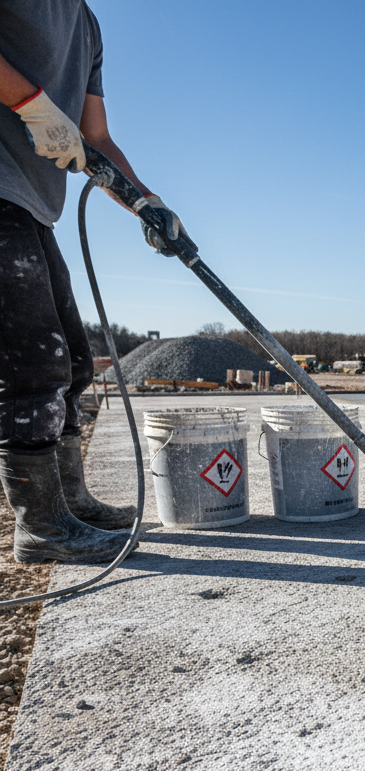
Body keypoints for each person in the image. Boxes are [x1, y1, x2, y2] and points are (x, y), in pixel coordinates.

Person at [0, 1, 185, 563]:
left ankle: (70, 505)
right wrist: (30, 103)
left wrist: (145, 202)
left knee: (75, 363)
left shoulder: (85, 25)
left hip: (33, 205)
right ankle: (40, 527)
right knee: (32, 366)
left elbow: (95, 136)